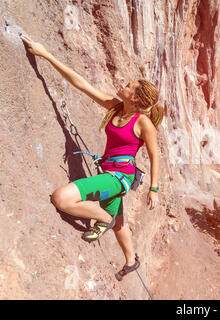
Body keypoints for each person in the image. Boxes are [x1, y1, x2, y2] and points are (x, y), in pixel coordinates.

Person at [21, 35, 163, 279]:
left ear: (136, 98)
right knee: (119, 224)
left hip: (119, 177)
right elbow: (82, 84)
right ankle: (131, 261)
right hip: (109, 173)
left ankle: (103, 218)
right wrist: (46, 55)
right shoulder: (117, 107)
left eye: (129, 86)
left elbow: (154, 155)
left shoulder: (144, 123)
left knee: (61, 198)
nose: (123, 85)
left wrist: (154, 188)